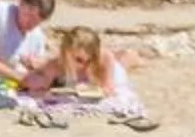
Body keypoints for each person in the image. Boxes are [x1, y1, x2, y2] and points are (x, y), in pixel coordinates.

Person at [19, 25, 155, 129]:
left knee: (123, 65)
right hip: (81, 78)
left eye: (87, 60)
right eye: (78, 59)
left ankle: (133, 56)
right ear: (67, 53)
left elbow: (109, 89)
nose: (83, 64)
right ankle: (128, 55)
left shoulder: (103, 58)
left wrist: (91, 89)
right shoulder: (57, 64)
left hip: (109, 73)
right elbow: (31, 87)